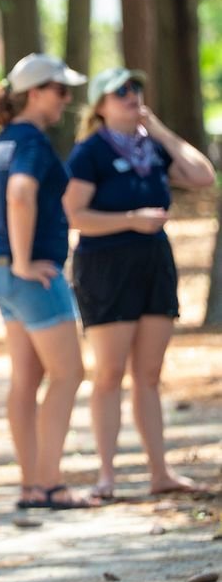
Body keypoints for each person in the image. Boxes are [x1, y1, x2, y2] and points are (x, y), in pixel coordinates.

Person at [63, 68, 217, 500]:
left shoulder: (152, 147)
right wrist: (130, 220)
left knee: (149, 374)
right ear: (101, 105)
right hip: (105, 268)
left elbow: (203, 175)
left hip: (154, 263)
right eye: (120, 91)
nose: (132, 95)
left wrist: (161, 130)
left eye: (136, 89)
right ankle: (107, 476)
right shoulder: (89, 152)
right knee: (110, 373)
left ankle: (160, 472)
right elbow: (75, 215)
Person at [0, 53, 95, 511]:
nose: (66, 99)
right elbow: (18, 195)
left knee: (28, 377)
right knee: (68, 373)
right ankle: (51, 484)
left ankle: (32, 484)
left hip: (1, 271)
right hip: (29, 275)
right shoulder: (32, 141)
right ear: (35, 93)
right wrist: (19, 259)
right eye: (60, 90)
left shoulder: (5, 141)